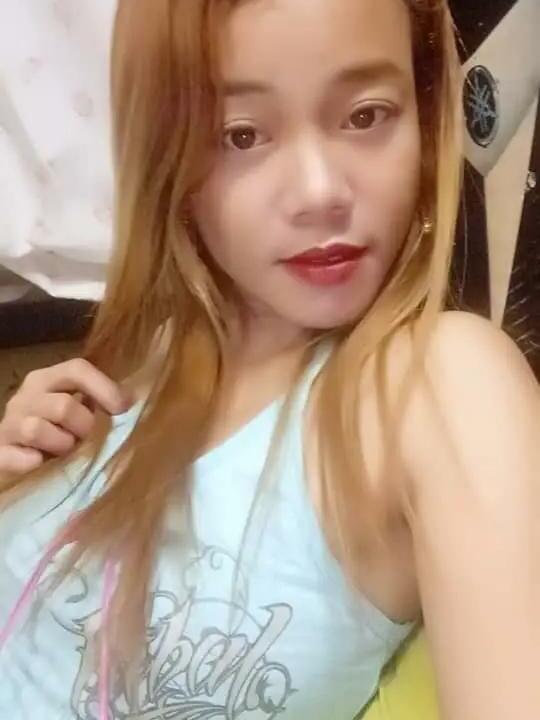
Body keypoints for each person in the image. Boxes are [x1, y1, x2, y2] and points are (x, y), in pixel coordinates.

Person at [0, 1, 538, 719]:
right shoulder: (144, 362)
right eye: (242, 134)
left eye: (366, 116)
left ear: (426, 111)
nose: (320, 193)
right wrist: (21, 486)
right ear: (166, 152)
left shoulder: (438, 387)